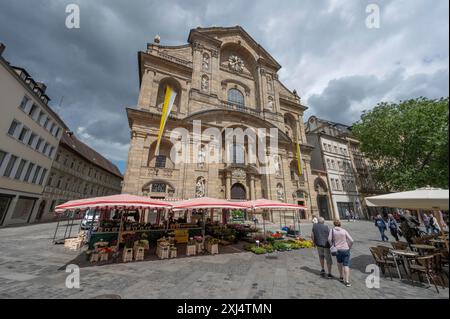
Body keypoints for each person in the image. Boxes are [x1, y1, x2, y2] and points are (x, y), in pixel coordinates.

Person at [328, 220, 354, 287]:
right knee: (346, 265)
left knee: (339, 263)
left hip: (337, 250)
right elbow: (351, 240)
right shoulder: (344, 230)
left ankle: (341, 277)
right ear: (340, 224)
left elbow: (329, 239)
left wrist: (332, 246)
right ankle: (347, 281)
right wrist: (349, 247)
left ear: (334, 224)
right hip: (346, 249)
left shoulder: (332, 230)